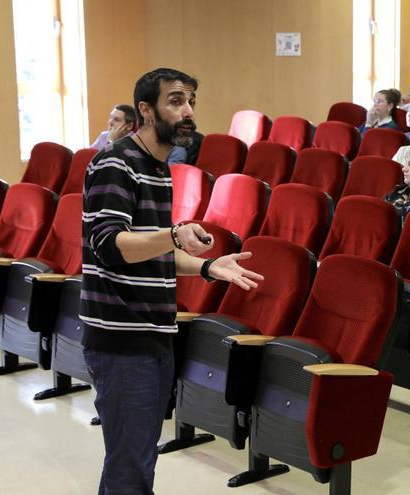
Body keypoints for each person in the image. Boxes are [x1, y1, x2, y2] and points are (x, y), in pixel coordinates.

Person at [81, 67, 264, 495]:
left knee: (138, 459)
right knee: (130, 466)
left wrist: (207, 267)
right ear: (145, 110)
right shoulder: (117, 163)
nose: (188, 112)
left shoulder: (158, 168)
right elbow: (111, 245)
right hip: (123, 340)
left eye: (192, 102)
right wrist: (173, 233)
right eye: (176, 101)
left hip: (152, 334)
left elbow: (151, 248)